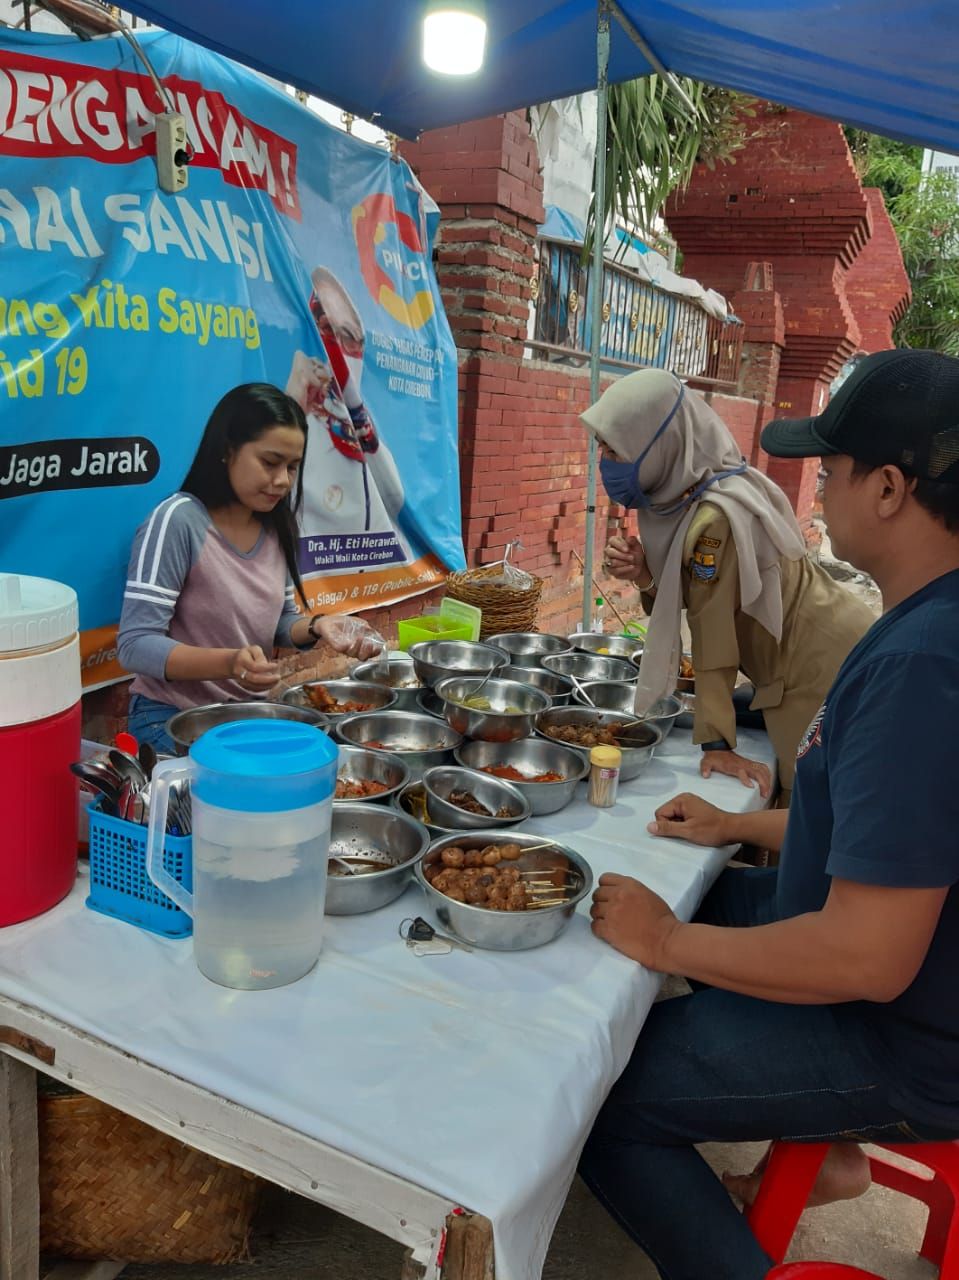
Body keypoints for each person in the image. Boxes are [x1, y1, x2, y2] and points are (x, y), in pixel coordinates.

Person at [579, 349, 959, 1280]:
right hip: (890, 968)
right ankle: (821, 1144)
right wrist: (737, 829)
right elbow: (891, 841)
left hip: (907, 1037)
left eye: (830, 468)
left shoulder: (921, 667)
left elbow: (866, 956)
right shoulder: (917, 622)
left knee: (599, 1094)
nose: (815, 485)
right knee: (689, 907)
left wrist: (667, 946)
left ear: (888, 488)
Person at [584, 367, 875, 802]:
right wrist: (646, 574)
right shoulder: (697, 486)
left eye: (617, 448)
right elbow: (705, 590)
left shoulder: (713, 520)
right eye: (601, 445)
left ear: (663, 446)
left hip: (816, 666)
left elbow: (712, 631)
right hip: (817, 642)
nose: (605, 459)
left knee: (806, 807)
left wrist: (717, 745)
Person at [118, 383, 382, 753]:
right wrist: (231, 663)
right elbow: (135, 645)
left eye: (292, 467)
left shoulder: (276, 527)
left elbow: (277, 623)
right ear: (228, 451)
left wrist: (318, 625)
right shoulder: (178, 521)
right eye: (270, 462)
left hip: (243, 716)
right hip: (170, 717)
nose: (282, 481)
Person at [286, 266, 409, 575]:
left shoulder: (363, 432)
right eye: (326, 330)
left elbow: (394, 500)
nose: (341, 349)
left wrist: (355, 411)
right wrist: (294, 408)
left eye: (351, 338)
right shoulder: (293, 420)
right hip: (314, 591)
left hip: (373, 587)